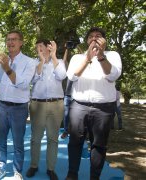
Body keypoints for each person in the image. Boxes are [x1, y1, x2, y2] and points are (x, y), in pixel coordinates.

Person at [65, 27, 122, 180]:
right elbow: (72, 76)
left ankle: (94, 177)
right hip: (79, 106)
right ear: (87, 41)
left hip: (103, 109)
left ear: (104, 41)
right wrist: (88, 58)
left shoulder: (113, 55)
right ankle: (72, 174)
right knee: (75, 142)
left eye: (98, 36)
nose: (94, 38)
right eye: (91, 36)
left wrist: (101, 56)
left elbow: (113, 75)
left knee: (99, 145)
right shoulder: (77, 57)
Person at [0, 30, 36, 180]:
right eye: (8, 39)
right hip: (2, 106)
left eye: (14, 39)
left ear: (21, 42)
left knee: (18, 142)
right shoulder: (2, 61)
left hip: (19, 108)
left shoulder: (30, 62)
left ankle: (17, 171)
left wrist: (7, 67)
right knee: (0, 140)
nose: (10, 42)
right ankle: (0, 168)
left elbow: (22, 84)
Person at [26, 39, 66, 180]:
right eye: (37, 48)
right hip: (38, 104)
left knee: (53, 138)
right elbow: (32, 80)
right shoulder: (34, 63)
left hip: (56, 104)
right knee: (35, 138)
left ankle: (51, 169)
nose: (39, 50)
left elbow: (62, 76)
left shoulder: (59, 61)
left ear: (49, 47)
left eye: (41, 46)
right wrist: (42, 62)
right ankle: (34, 165)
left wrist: (54, 56)